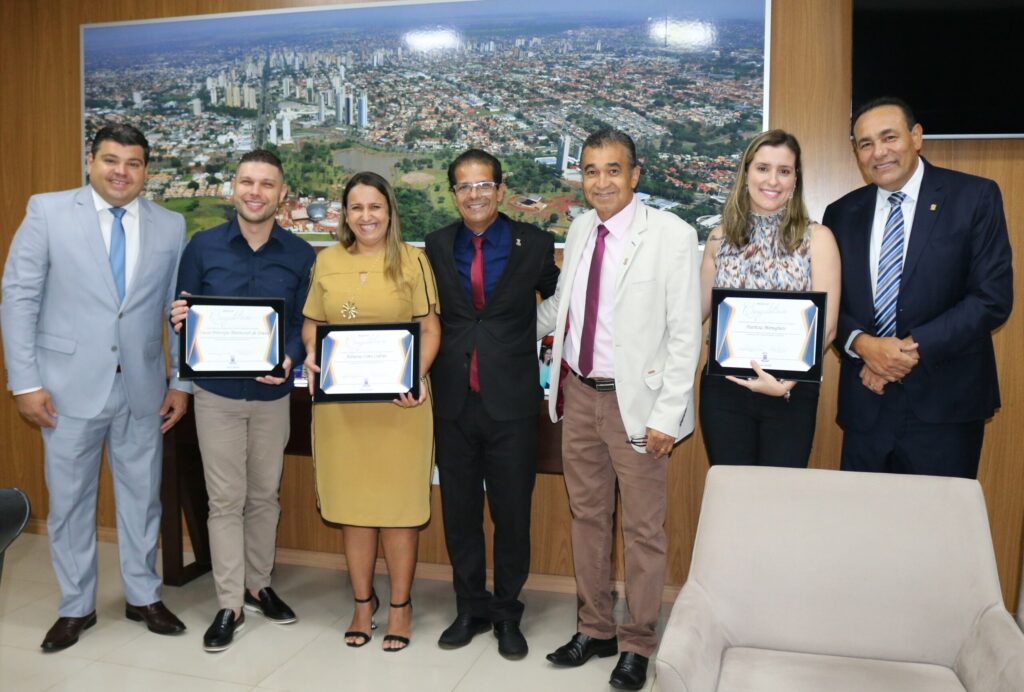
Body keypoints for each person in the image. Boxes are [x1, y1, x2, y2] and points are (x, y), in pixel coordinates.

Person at [0, 123, 189, 651]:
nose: (121, 172)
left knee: (142, 500)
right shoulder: (48, 211)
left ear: (146, 170)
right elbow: (18, 298)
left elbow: (179, 310)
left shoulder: (170, 225)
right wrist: (25, 382)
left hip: (144, 389)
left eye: (133, 163)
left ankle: (143, 596)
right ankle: (76, 607)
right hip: (63, 390)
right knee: (70, 504)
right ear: (90, 161)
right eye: (111, 160)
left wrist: (181, 383)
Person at [536, 129, 701, 690]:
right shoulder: (581, 228)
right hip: (579, 394)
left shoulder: (673, 235)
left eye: (612, 170)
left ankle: (637, 642)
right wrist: (504, 329)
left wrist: (667, 415)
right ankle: (596, 627)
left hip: (640, 403)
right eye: (589, 170)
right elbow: (562, 306)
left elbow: (684, 334)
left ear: (635, 174)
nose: (600, 181)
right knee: (586, 518)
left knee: (643, 529)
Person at [170, 149, 315, 652]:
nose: (256, 192)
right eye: (247, 182)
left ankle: (259, 586)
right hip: (217, 396)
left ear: (281, 194)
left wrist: (290, 356)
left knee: (265, 496)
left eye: (267, 184)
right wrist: (181, 322)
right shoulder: (203, 246)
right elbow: (185, 309)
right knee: (226, 499)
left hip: (273, 396)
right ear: (234, 187)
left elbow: (301, 323)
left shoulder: (301, 254)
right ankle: (229, 603)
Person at [823, 97, 1013, 479]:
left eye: (889, 137)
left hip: (947, 403)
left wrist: (899, 354)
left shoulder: (974, 197)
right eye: (865, 143)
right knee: (863, 529)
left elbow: (990, 298)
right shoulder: (840, 213)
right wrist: (864, 345)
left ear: (916, 136)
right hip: (867, 404)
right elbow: (828, 302)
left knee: (938, 532)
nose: (879, 152)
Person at [424, 149, 558, 659]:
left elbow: (563, 296)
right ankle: (470, 607)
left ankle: (506, 612)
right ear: (453, 194)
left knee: (511, 514)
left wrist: (532, 330)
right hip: (454, 402)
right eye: (464, 186)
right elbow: (422, 311)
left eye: (484, 185)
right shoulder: (435, 246)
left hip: (514, 403)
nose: (474, 194)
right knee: (459, 512)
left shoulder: (535, 244)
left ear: (500, 190)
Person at [302, 171, 440, 652]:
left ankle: (400, 607)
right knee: (354, 509)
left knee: (399, 511)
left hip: (401, 407)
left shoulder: (413, 261)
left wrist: (414, 377)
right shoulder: (327, 261)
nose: (366, 216)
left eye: (375, 207)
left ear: (390, 212)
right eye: (356, 207)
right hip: (342, 411)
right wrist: (312, 355)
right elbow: (312, 326)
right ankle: (363, 603)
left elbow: (429, 329)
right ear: (345, 214)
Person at [699, 130, 840, 467]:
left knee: (781, 500)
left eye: (784, 170)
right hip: (724, 391)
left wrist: (784, 384)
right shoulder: (719, 237)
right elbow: (695, 312)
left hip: (790, 392)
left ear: (795, 179)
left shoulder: (818, 238)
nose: (772, 180)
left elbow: (828, 328)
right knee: (731, 495)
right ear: (746, 173)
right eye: (762, 168)